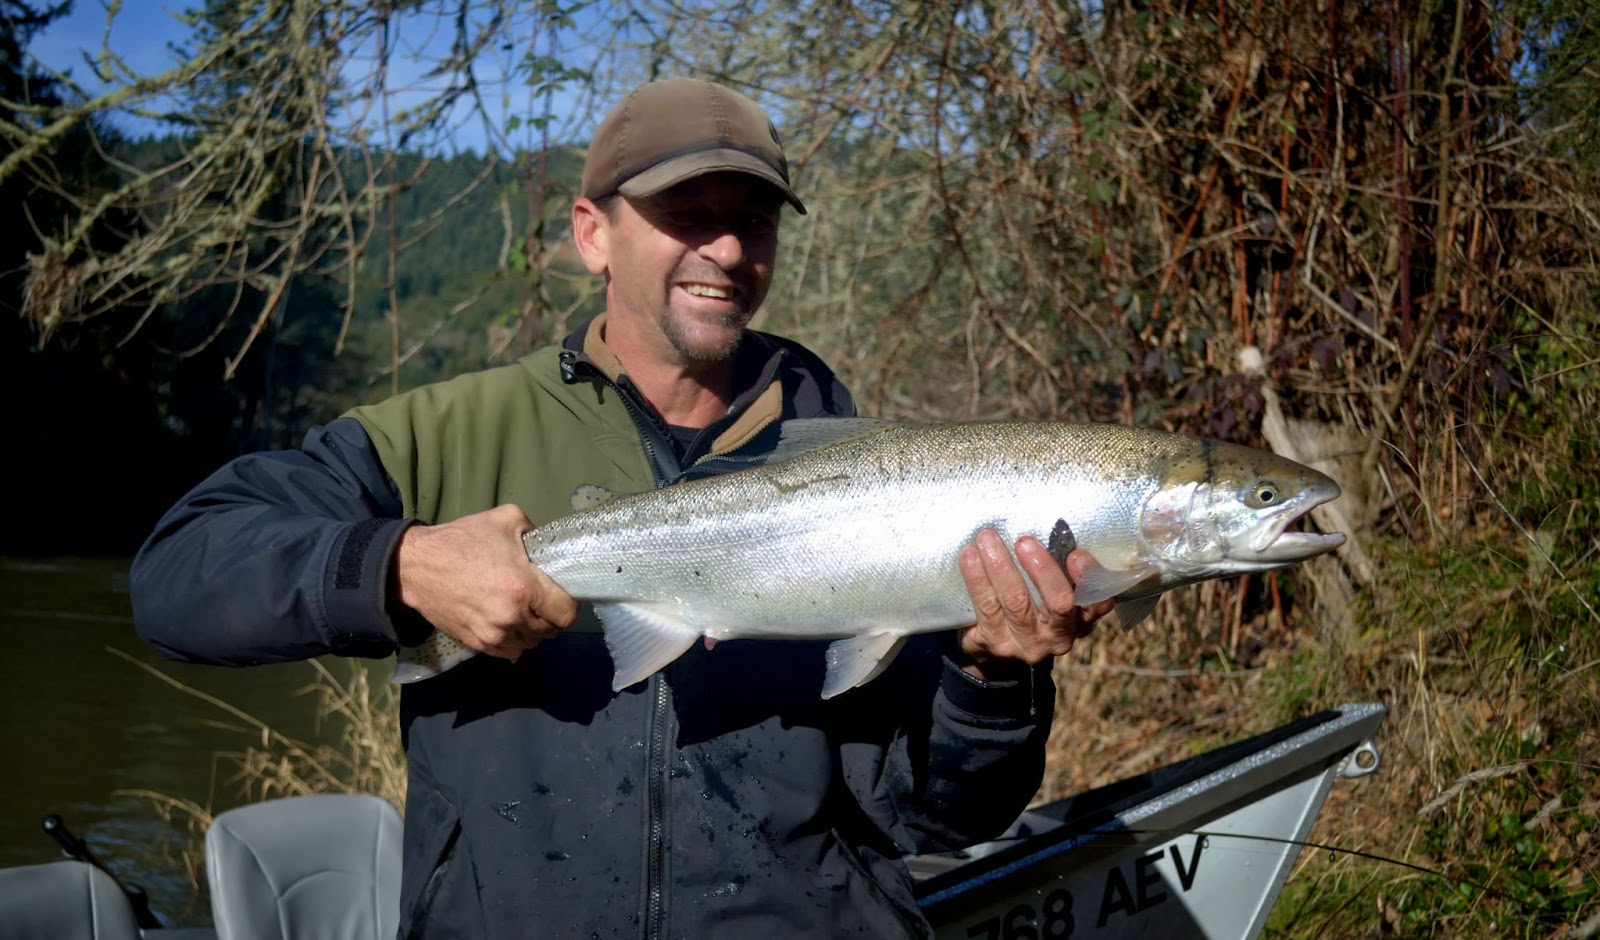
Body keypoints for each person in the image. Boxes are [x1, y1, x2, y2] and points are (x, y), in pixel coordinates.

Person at [131, 77, 1111, 939]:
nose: (726, 247)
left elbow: (948, 820)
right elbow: (178, 574)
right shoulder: (447, 435)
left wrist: (993, 674)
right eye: (688, 212)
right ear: (592, 233)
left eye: (754, 218)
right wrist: (403, 566)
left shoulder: (896, 489)